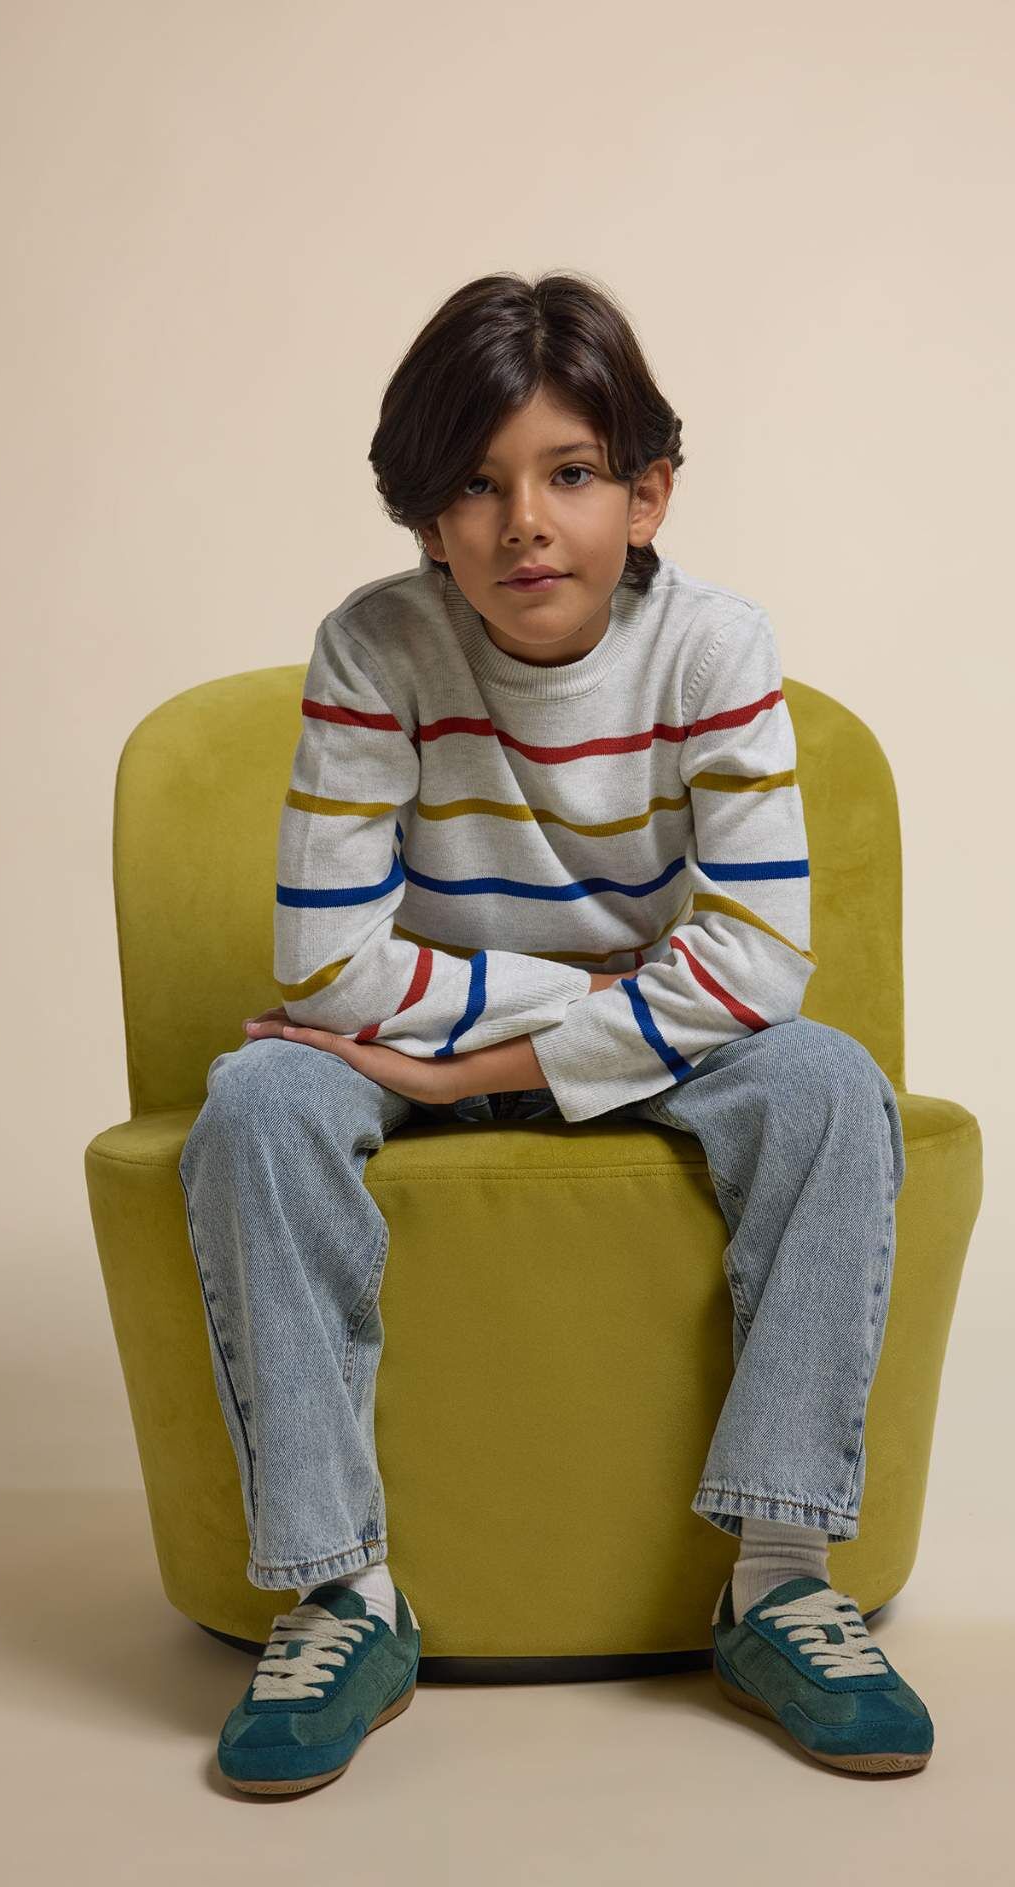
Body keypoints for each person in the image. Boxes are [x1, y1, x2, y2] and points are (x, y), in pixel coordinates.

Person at [177, 269, 931, 1795]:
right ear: (426, 518)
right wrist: (573, 1007)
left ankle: (778, 1581)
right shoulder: (374, 646)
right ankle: (342, 1594)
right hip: (482, 1031)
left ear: (647, 495)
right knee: (256, 1099)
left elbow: (764, 964)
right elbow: (325, 970)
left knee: (828, 1084)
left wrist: (473, 1058)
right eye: (477, 483)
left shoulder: (714, 646)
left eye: (572, 473)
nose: (526, 521)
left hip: (564, 1042)